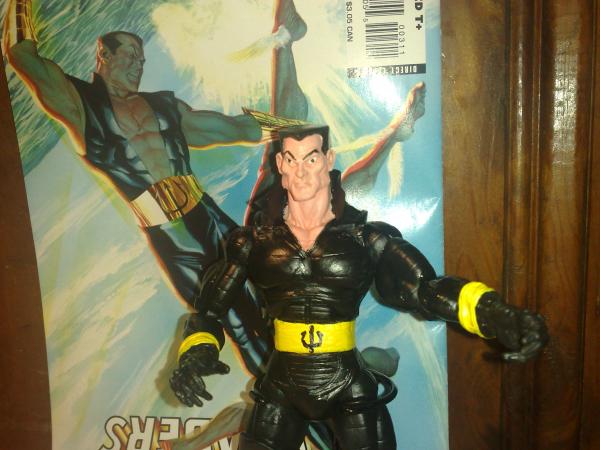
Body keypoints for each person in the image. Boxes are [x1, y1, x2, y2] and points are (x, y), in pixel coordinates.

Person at [169, 125, 548, 450]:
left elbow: (427, 289)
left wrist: (494, 313)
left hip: (346, 381)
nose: (301, 171)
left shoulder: (366, 239)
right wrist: (196, 352)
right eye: (292, 159)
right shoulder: (251, 242)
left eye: (311, 158)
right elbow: (209, 310)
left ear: (328, 160)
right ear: (280, 164)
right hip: (282, 383)